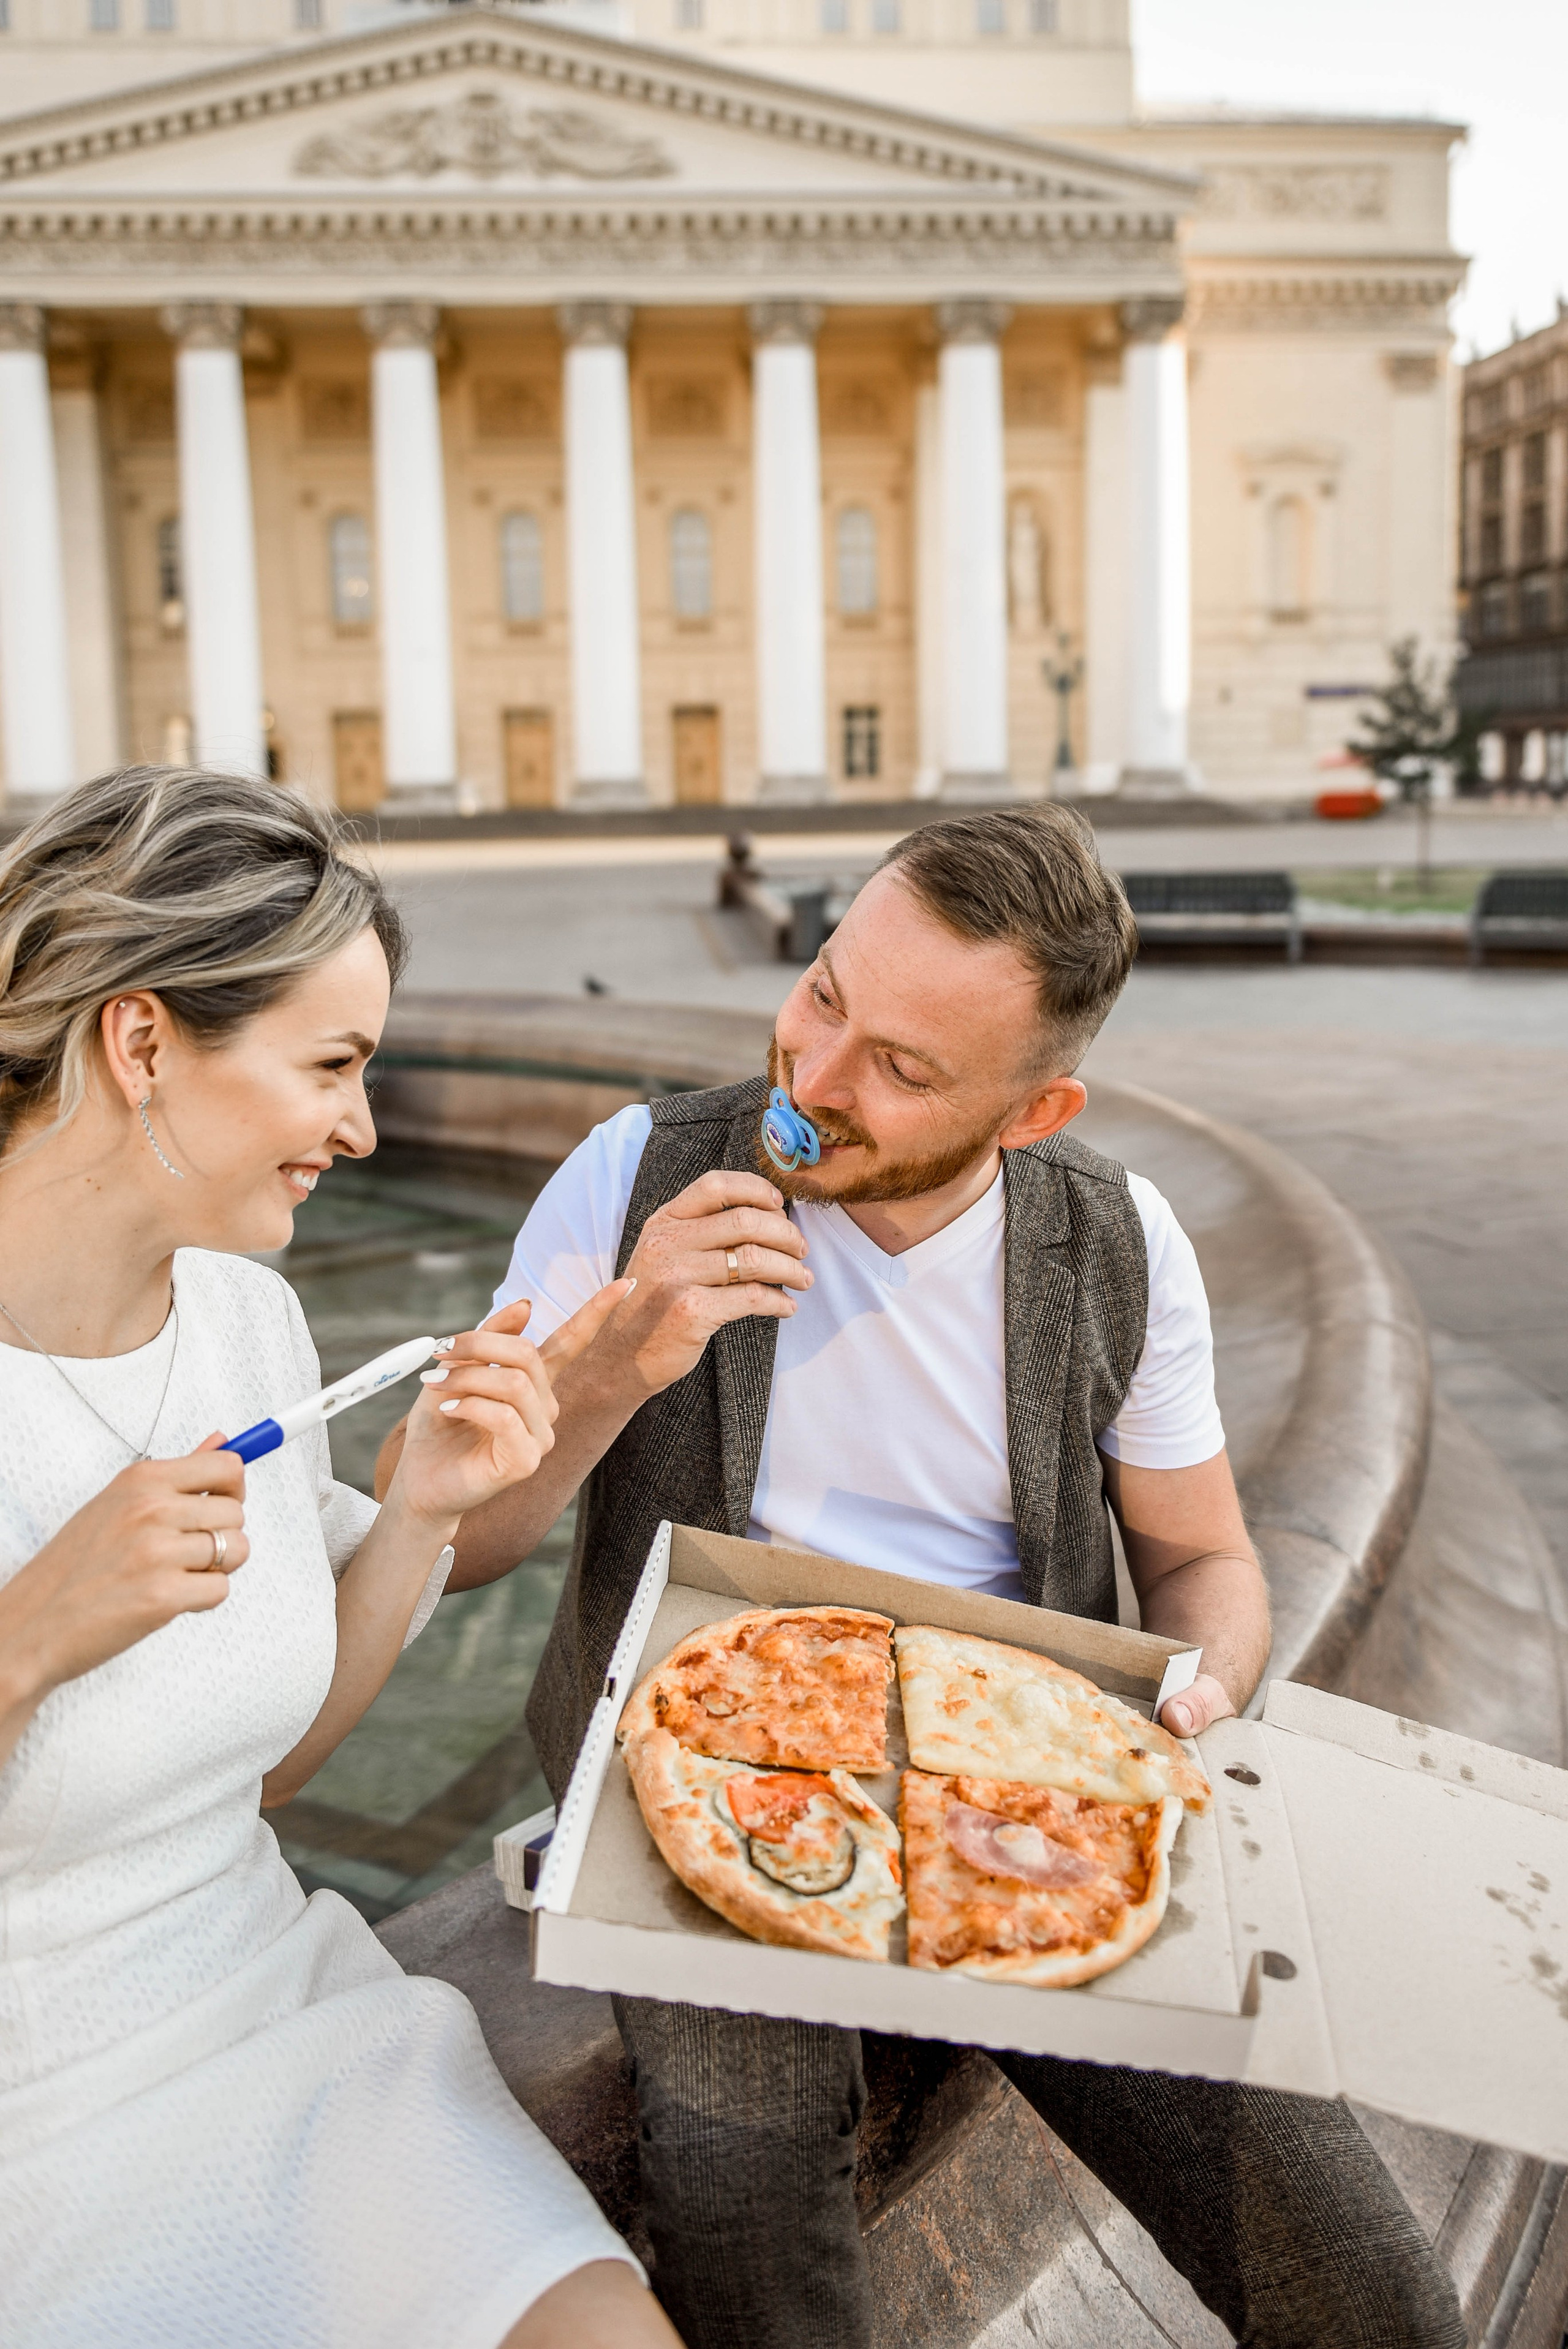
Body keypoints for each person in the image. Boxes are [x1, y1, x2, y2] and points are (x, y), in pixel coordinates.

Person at [383, 805, 1464, 2349]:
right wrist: (614, 1356)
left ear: (1033, 1113)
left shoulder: (1116, 1240)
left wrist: (1206, 1684)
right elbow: (451, 1544)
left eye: (901, 1068)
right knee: (751, 2220)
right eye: (824, 994)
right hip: (710, 1761)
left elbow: (1202, 1553)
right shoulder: (631, 1173)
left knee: (1364, 2282)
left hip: (1017, 1776)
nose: (813, 1084)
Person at [0, 767, 679, 2349]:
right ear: (146, 1040)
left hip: (273, 2014)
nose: (364, 1129)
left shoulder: (246, 1317)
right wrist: (28, 1633)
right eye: (333, 1064)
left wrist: (425, 1505)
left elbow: (270, 1770)